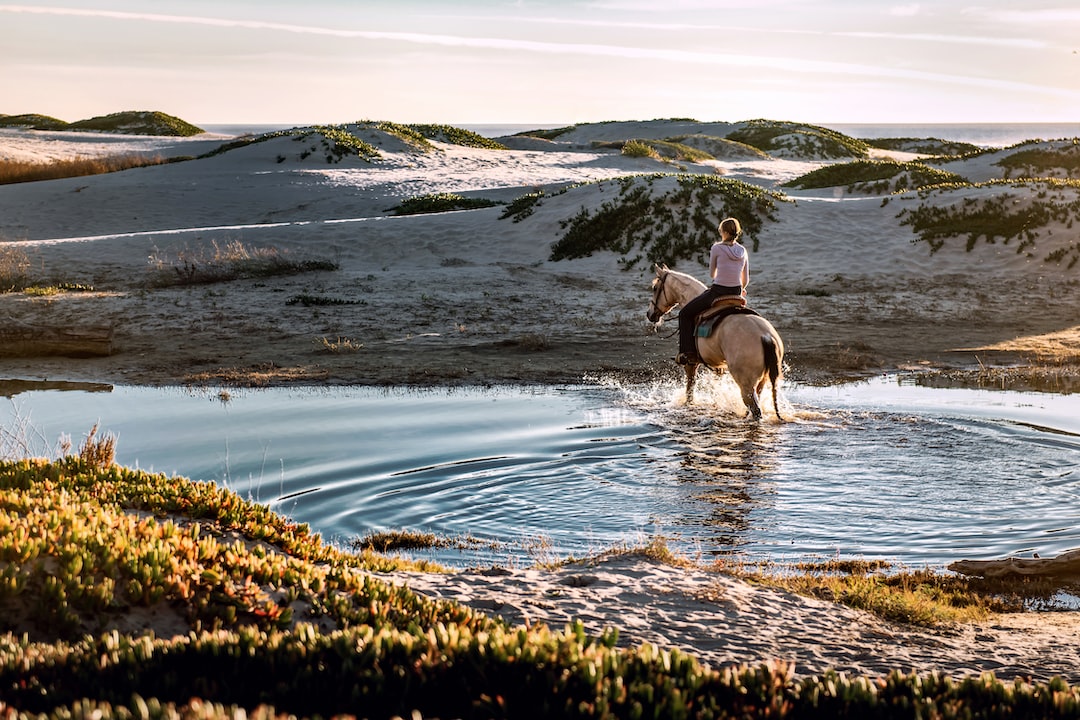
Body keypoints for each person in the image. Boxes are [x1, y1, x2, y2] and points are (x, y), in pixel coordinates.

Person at [676, 217, 749, 365]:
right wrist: (741, 289)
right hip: (736, 292)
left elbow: (712, 274)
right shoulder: (742, 250)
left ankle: (688, 353)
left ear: (725, 232)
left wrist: (722, 276)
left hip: (718, 291)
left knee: (684, 314)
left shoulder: (716, 248)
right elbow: (745, 279)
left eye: (721, 231)